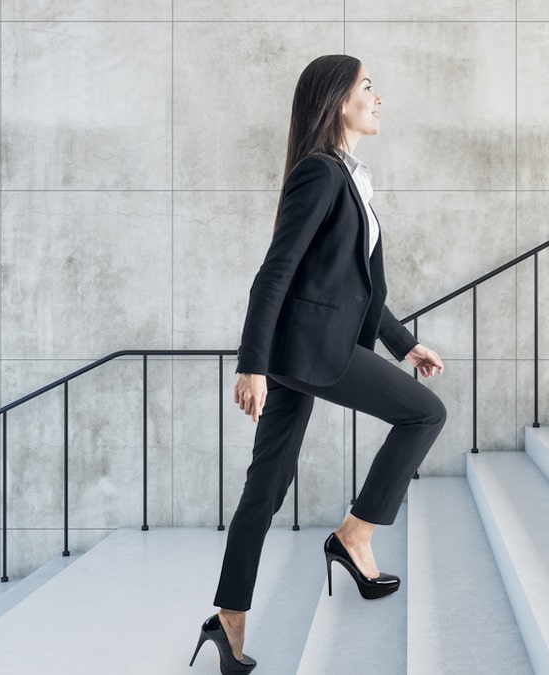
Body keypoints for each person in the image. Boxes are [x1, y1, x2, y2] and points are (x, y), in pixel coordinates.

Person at [189, 55, 447, 674]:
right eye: (367, 87)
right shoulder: (321, 173)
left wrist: (400, 342)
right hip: (311, 354)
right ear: (337, 100)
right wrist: (249, 365)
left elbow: (344, 282)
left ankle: (227, 622)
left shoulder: (349, 176)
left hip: (304, 350)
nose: (378, 98)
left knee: (267, 487)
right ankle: (354, 537)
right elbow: (275, 272)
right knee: (423, 414)